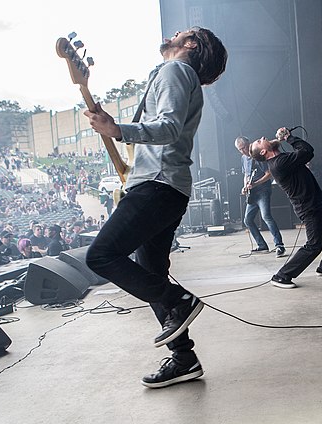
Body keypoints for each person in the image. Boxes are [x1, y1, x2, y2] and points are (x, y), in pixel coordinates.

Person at [84, 27, 227, 389]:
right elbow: (158, 128)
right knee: (150, 275)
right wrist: (114, 127)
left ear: (191, 44)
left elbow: (167, 129)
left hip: (157, 185)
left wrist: (117, 129)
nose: (175, 33)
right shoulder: (172, 75)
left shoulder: (176, 71)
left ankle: (178, 300)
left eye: (184, 33)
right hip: (164, 187)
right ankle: (184, 358)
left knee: (101, 255)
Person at [250, 127, 322, 288]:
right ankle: (281, 276)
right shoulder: (278, 163)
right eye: (260, 141)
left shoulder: (282, 158)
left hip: (317, 204)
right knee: (314, 245)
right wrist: (289, 137)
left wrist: (283, 140)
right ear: (263, 152)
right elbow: (307, 151)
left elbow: (301, 154)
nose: (262, 137)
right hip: (309, 208)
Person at [234, 136, 286, 256]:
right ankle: (261, 245)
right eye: (240, 149)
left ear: (249, 143)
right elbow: (246, 175)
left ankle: (279, 245)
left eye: (244, 147)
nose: (243, 151)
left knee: (266, 216)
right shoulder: (243, 158)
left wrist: (256, 183)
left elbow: (269, 174)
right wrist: (245, 186)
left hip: (263, 190)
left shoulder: (257, 156)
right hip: (252, 193)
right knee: (247, 220)